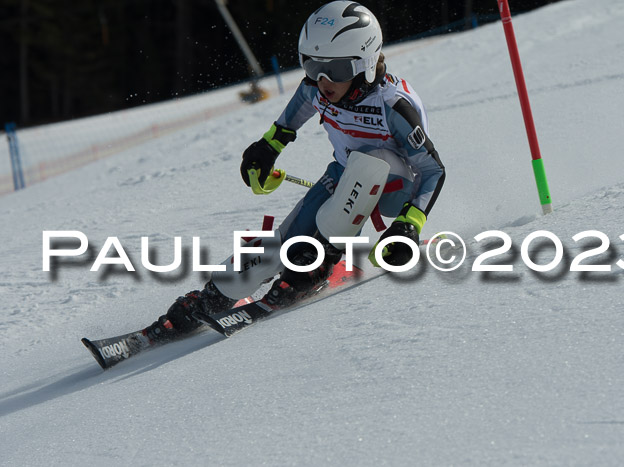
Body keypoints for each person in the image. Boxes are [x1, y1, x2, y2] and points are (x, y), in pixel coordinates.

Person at [144, 0, 445, 341]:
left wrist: (409, 225)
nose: (323, 80)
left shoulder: (392, 105)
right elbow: (285, 127)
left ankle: (319, 261)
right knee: (283, 243)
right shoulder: (314, 90)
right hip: (346, 178)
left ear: (365, 65)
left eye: (338, 70)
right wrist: (265, 150)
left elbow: (433, 171)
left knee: (371, 159)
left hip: (398, 188)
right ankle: (215, 295)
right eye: (312, 65)